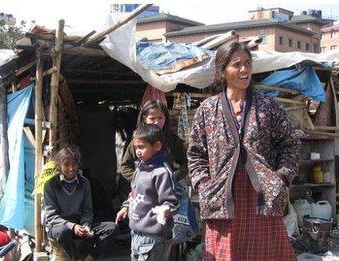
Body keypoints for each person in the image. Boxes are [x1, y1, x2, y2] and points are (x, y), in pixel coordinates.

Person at [187, 41, 300, 260]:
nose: (244, 70)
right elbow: (196, 154)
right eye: (236, 64)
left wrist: (281, 179)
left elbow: (290, 144)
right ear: (222, 70)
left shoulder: (268, 107)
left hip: (262, 200)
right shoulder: (208, 110)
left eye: (247, 64)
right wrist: (204, 185)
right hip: (222, 201)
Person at [116, 124, 179, 261]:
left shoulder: (162, 173)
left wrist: (166, 209)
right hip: (137, 233)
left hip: (154, 237)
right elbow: (134, 193)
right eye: (136, 147)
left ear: (157, 146)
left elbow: (171, 202)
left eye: (141, 147)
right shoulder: (140, 169)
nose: (137, 152)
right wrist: (126, 206)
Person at [44, 145, 117, 261]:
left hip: (80, 225)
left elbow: (87, 210)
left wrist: (86, 225)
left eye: (74, 164)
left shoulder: (84, 183)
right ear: (59, 165)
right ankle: (77, 259)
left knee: (112, 227)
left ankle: (89, 259)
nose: (71, 168)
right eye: (66, 164)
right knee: (63, 231)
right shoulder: (51, 185)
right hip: (59, 227)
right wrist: (72, 226)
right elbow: (52, 216)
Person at [119, 99, 187, 182]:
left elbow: (185, 163)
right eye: (152, 118)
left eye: (160, 118)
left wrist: (174, 177)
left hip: (167, 187)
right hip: (144, 190)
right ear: (144, 119)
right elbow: (125, 166)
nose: (156, 122)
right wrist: (139, 179)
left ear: (165, 118)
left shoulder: (172, 140)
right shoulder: (138, 141)